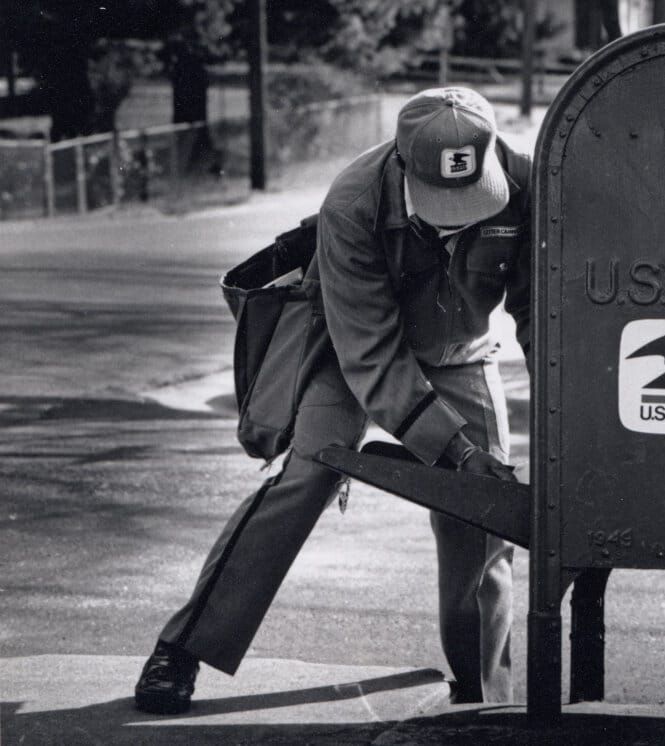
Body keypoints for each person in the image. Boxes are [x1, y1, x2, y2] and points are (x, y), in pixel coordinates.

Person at [134, 86, 531, 714]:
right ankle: (181, 649)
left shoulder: (523, 181)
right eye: (440, 205)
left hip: (462, 353)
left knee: (483, 511)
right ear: (402, 165)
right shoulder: (352, 202)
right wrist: (452, 447)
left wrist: (557, 409)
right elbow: (371, 355)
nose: (458, 219)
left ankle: (479, 697)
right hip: (349, 353)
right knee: (308, 473)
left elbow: (540, 311)